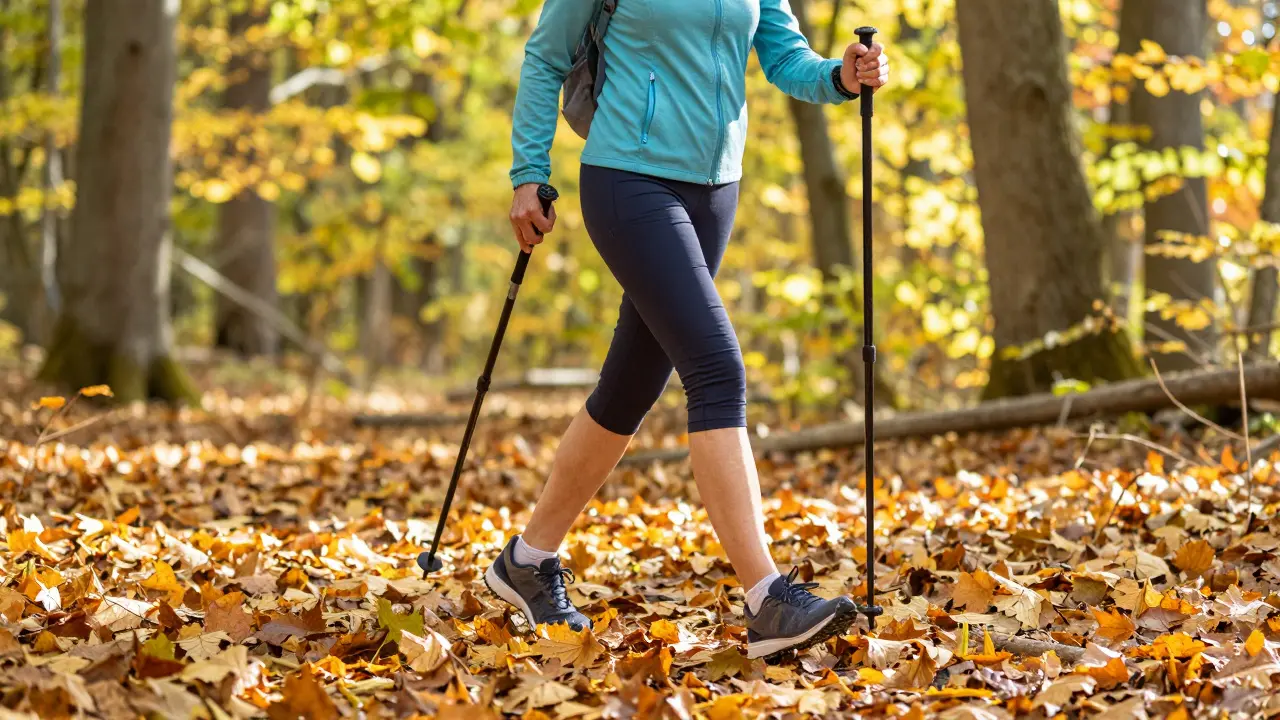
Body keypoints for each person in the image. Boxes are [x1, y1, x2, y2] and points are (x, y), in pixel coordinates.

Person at [484, 0, 890, 661]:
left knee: (629, 388)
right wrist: (529, 172)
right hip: (629, 177)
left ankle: (528, 562)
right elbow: (546, 55)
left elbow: (784, 58)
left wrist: (840, 77)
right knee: (717, 369)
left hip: (714, 189)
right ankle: (767, 599)